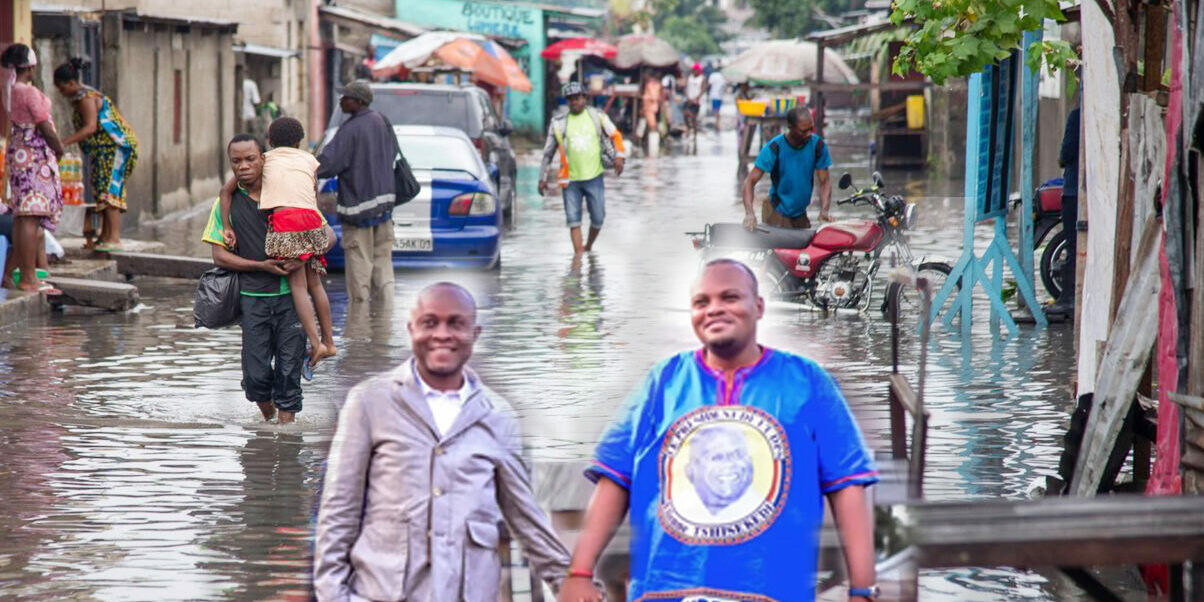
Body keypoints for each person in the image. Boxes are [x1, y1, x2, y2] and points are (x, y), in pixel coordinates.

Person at [558, 259, 879, 602]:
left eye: (729, 297)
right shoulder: (663, 383)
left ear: (758, 307)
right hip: (668, 591)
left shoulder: (807, 382)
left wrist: (862, 590)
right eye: (702, 302)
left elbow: (847, 488)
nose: (714, 310)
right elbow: (615, 478)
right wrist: (579, 572)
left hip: (770, 592)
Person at [314, 282, 591, 601]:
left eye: (456, 324)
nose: (442, 334)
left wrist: (570, 581)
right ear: (411, 329)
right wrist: (333, 594)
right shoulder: (369, 401)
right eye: (430, 323)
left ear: (475, 333)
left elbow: (525, 518)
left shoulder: (498, 416)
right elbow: (338, 510)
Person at [202, 134, 335, 424]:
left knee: (289, 376)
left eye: (250, 159)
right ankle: (268, 422)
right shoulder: (226, 205)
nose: (243, 166)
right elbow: (219, 257)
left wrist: (302, 253)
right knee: (255, 378)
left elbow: (329, 236)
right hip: (252, 302)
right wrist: (260, 265)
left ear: (265, 159)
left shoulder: (290, 196)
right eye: (236, 161)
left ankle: (285, 439)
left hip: (290, 302)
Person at [220, 117, 336, 368]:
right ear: (299, 141)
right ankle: (330, 341)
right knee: (315, 284)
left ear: (268, 144)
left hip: (288, 220)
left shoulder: (267, 159)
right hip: (311, 218)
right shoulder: (309, 159)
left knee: (297, 286)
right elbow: (312, 195)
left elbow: (225, 190)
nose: (245, 165)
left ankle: (315, 343)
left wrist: (227, 226)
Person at [316, 80, 397, 303]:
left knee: (359, 266)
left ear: (359, 102)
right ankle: (385, 318)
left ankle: (359, 326)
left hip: (358, 209)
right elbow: (392, 154)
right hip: (384, 208)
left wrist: (306, 167)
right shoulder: (382, 121)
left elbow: (328, 164)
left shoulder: (350, 129)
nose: (341, 101)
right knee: (383, 263)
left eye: (346, 97)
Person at [53, 57, 139, 252]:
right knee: (101, 188)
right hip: (103, 149)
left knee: (110, 189)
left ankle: (114, 238)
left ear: (71, 83)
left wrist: (64, 142)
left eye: (61, 87)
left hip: (116, 147)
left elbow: (91, 127)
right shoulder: (84, 95)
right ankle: (104, 236)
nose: (61, 92)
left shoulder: (86, 98)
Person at [1, 43, 64, 294]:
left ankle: (12, 276)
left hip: (20, 157)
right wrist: (58, 149)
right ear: (31, 66)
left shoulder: (11, 90)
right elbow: (44, 125)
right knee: (30, 218)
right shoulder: (26, 91)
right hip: (33, 160)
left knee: (22, 217)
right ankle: (27, 278)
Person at [538, 82, 626, 255]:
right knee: (573, 220)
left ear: (584, 98)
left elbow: (616, 135)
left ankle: (589, 247)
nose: (574, 102)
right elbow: (548, 153)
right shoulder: (558, 124)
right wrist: (542, 177)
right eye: (570, 99)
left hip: (594, 177)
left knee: (598, 218)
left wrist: (619, 156)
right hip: (570, 181)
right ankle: (577, 260)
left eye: (577, 98)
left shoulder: (597, 116)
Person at [741, 107, 832, 231]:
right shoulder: (775, 148)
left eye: (811, 129)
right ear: (791, 127)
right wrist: (749, 214)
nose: (809, 134)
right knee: (778, 249)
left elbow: (825, 182)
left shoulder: (817, 146)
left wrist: (824, 211)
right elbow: (749, 182)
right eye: (803, 131)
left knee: (805, 248)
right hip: (776, 211)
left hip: (800, 213)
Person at [1048, 104, 1080, 317]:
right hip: (1088, 189)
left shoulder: (1078, 116)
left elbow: (1065, 153)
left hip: (1074, 191)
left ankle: (1068, 297)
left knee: (1074, 245)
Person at [684, 63, 705, 131]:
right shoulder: (689, 77)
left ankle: (694, 134)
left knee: (694, 118)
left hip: (696, 101)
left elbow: (702, 90)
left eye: (696, 70)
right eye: (694, 70)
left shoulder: (702, 78)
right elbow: (685, 88)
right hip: (688, 100)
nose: (694, 72)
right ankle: (688, 128)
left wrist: (696, 98)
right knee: (685, 114)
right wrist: (688, 97)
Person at [707, 67, 726, 131]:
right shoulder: (723, 75)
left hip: (714, 95)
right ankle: (717, 123)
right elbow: (725, 85)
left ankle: (717, 123)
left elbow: (709, 84)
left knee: (716, 110)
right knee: (717, 110)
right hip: (720, 95)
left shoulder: (713, 75)